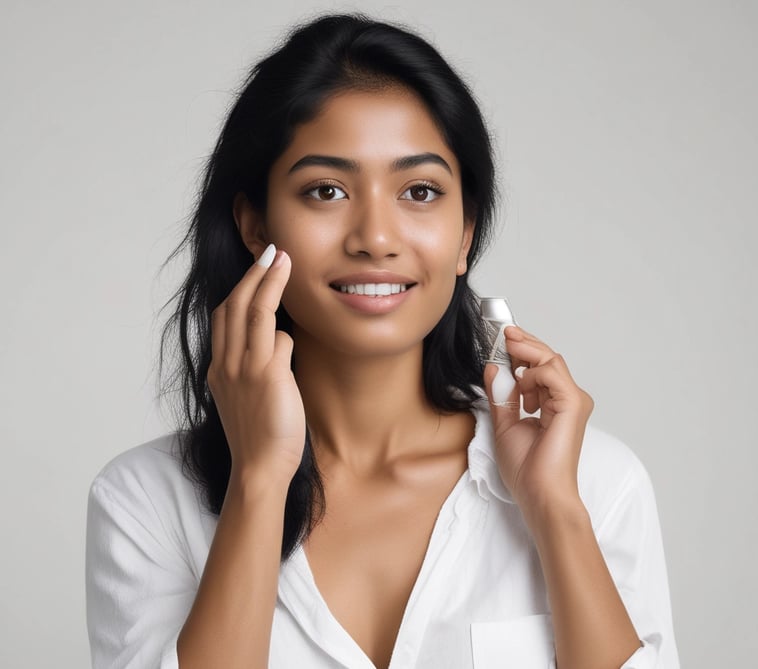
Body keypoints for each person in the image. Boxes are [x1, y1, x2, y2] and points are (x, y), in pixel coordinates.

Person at [85, 13, 679, 669]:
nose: (375, 236)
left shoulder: (596, 482)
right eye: (326, 190)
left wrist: (556, 511)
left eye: (419, 191)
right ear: (256, 226)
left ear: (463, 234)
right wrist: (258, 479)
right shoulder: (144, 500)